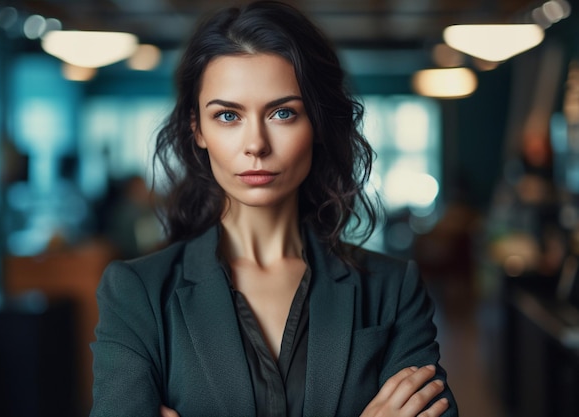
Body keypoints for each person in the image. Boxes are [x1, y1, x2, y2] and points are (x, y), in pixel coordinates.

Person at [90, 1, 458, 416]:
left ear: (316, 123)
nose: (256, 145)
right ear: (198, 129)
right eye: (228, 115)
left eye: (283, 113)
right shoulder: (137, 293)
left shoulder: (393, 289)